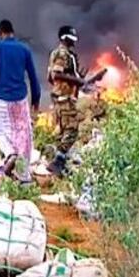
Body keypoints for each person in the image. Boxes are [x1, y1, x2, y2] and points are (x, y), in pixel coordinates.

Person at [0, 19, 41, 183]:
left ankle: (10, 153)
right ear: (13, 32)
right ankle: (23, 174)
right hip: (20, 99)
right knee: (23, 134)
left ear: (0, 32)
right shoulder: (24, 49)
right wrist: (36, 97)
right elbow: (33, 76)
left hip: (2, 99)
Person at [47, 25, 105, 177]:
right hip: (64, 98)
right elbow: (56, 75)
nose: (73, 42)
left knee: (63, 131)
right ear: (64, 38)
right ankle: (57, 162)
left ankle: (61, 167)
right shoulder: (61, 54)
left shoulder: (65, 55)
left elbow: (54, 76)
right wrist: (76, 80)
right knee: (72, 130)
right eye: (70, 39)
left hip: (62, 97)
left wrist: (80, 78)